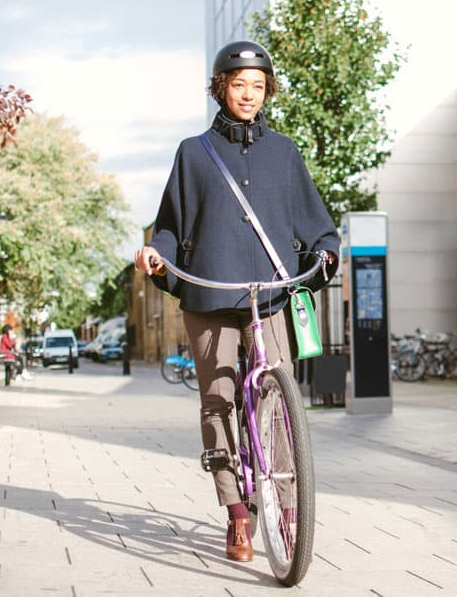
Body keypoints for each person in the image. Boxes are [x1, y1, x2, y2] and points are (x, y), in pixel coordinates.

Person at [134, 40, 339, 563]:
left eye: (257, 85)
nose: (248, 94)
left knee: (278, 398)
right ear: (220, 88)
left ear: (267, 89)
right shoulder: (193, 152)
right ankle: (238, 515)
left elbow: (315, 221)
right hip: (209, 293)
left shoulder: (285, 153)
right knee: (219, 401)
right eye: (238, 84)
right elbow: (171, 227)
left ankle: (289, 507)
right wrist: (154, 254)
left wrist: (327, 250)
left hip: (269, 295)